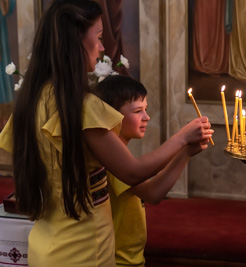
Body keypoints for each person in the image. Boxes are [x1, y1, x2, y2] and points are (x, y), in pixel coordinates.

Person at [0, 0, 213, 266]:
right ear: (77, 41)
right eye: (99, 38)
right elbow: (132, 171)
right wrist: (182, 137)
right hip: (84, 249)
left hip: (46, 246)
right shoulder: (80, 106)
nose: (101, 48)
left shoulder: (31, 102)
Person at [95, 75, 205, 267]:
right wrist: (182, 139)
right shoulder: (110, 161)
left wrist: (186, 151)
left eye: (146, 109)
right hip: (118, 260)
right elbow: (153, 192)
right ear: (111, 115)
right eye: (138, 111)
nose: (146, 117)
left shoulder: (118, 155)